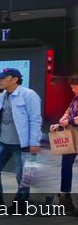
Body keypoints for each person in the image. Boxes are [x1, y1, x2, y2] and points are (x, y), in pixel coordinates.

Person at [0, 67, 42, 207]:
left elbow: (35, 119)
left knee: (22, 175)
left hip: (22, 144)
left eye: (3, 78)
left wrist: (34, 142)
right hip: (4, 141)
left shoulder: (29, 94)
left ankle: (21, 203)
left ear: (15, 79)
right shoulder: (1, 95)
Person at [53, 75, 78, 214]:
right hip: (72, 136)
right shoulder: (75, 99)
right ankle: (65, 194)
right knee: (66, 164)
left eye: (74, 86)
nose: (72, 88)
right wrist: (61, 121)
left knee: (67, 164)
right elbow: (68, 112)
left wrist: (70, 121)